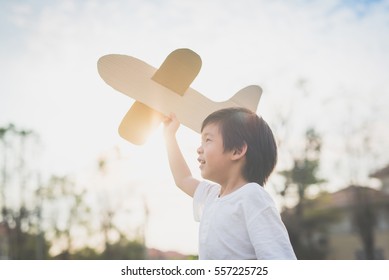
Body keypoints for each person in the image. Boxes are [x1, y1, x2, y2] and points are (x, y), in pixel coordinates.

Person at [163, 107, 296, 260]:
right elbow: (183, 179)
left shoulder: (252, 196)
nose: (199, 149)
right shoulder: (211, 196)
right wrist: (169, 136)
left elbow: (279, 259)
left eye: (208, 140)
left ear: (237, 150)